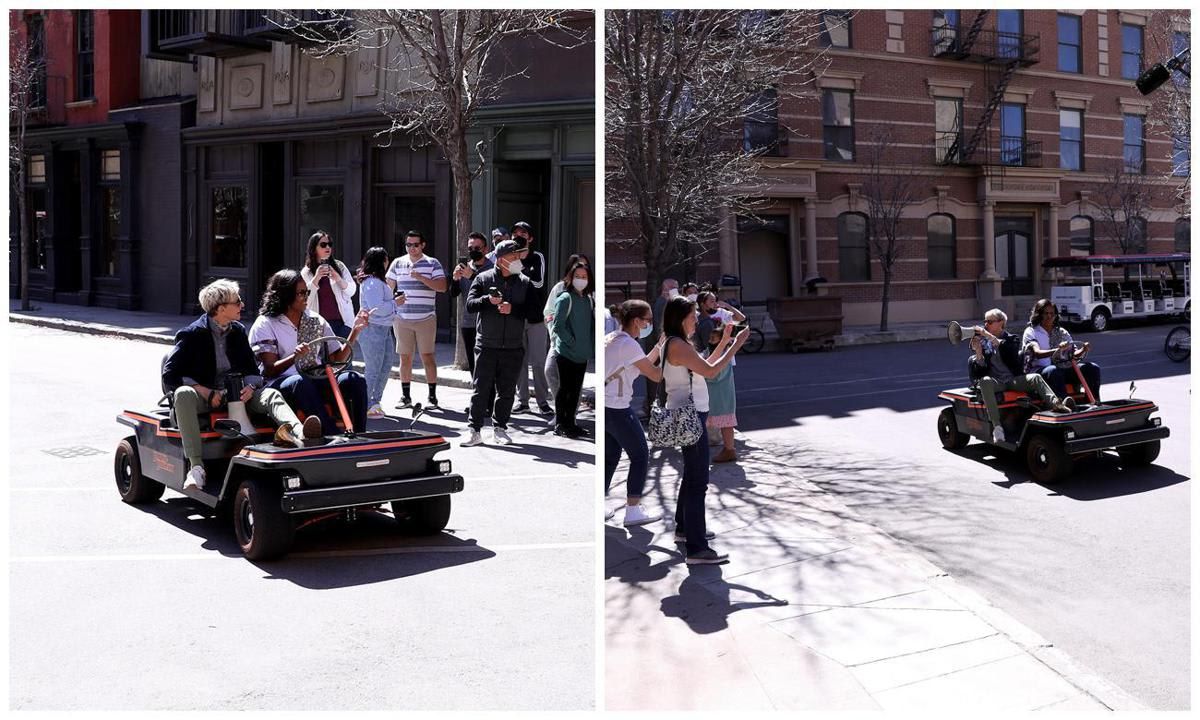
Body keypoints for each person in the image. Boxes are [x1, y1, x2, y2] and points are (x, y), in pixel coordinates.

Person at [163, 279, 323, 491]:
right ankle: (196, 468)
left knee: (271, 395)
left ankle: (299, 433)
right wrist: (204, 391)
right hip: (205, 398)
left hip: (237, 396)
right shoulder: (192, 334)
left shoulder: (237, 331)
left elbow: (252, 370)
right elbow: (170, 375)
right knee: (183, 394)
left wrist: (251, 387)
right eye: (237, 302)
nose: (242, 306)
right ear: (221, 309)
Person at [661, 296, 748, 565]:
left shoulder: (675, 342)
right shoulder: (677, 344)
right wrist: (735, 347)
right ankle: (697, 549)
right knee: (698, 482)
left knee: (691, 476)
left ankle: (685, 530)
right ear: (680, 318)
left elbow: (701, 367)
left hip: (689, 415)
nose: (697, 319)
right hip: (691, 417)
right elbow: (710, 372)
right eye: (693, 315)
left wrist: (724, 342)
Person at [250, 269, 371, 435]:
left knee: (355, 379)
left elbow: (336, 358)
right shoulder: (265, 323)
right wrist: (295, 357)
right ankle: (331, 435)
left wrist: (355, 331)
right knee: (300, 382)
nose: (306, 296)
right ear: (285, 296)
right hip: (280, 383)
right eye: (301, 293)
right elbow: (270, 369)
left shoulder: (315, 319)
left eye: (307, 292)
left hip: (315, 377)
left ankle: (360, 434)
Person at [462, 240, 544, 447]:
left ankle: (500, 428)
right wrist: (488, 301)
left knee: (507, 391)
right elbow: (470, 306)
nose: (518, 260)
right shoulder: (482, 278)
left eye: (519, 256)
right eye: (513, 256)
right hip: (486, 344)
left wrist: (513, 310)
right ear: (500, 260)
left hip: (513, 346)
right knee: (480, 389)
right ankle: (475, 430)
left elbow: (536, 313)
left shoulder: (525, 282)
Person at [968, 308, 1074, 444]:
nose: (986, 325)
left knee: (1035, 377)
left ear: (1001, 323)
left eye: (989, 321)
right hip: (996, 382)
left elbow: (1008, 349)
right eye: (985, 322)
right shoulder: (985, 344)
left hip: (1012, 380)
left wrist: (988, 336)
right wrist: (978, 352)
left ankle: (1056, 404)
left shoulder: (1012, 339)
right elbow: (980, 370)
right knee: (985, 381)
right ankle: (997, 427)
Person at [605, 300, 666, 527]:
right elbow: (654, 375)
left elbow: (638, 366)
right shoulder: (629, 345)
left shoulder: (615, 338)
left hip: (606, 406)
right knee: (640, 455)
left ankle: (602, 503)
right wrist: (675, 359)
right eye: (648, 319)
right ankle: (632, 510)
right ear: (637, 321)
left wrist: (658, 348)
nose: (650, 323)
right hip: (617, 407)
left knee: (610, 457)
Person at [386, 230, 448, 409]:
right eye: (408, 244)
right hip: (402, 318)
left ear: (423, 245)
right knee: (405, 358)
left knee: (428, 356)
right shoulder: (398, 263)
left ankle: (432, 397)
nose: (411, 248)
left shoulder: (432, 263)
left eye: (415, 244)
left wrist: (421, 277)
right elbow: (388, 287)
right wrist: (391, 301)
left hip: (426, 318)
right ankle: (406, 397)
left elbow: (442, 287)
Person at [509, 221, 552, 416]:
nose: (518, 236)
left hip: (536, 318)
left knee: (538, 362)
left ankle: (543, 401)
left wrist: (520, 270)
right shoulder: (508, 257)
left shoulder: (537, 257)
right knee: (519, 361)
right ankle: (522, 401)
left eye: (523, 233)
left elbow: (538, 283)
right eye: (515, 233)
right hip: (516, 317)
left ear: (530, 238)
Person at [1021, 299, 1102, 402]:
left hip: (1061, 368)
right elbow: (1037, 353)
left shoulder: (1061, 332)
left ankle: (1093, 400)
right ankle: (1064, 403)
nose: (1049, 316)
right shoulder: (1031, 331)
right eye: (1046, 313)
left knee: (1092, 368)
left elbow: (1073, 354)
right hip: (1039, 370)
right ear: (1039, 314)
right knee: (1054, 370)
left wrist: (1083, 349)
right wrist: (1058, 350)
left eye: (1052, 313)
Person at [697, 292, 745, 462]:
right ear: (702, 303)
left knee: (721, 419)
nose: (715, 303)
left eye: (715, 300)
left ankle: (728, 448)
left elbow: (743, 323)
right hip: (718, 376)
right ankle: (728, 448)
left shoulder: (716, 320)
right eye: (711, 300)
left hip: (718, 381)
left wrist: (728, 307)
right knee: (722, 419)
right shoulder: (701, 320)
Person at [550, 263, 595, 438]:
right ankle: (561, 423)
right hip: (566, 353)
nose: (581, 280)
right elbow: (558, 325)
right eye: (578, 276)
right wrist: (571, 341)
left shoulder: (588, 300)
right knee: (565, 389)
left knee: (575, 391)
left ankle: (571, 423)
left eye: (584, 277)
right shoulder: (565, 298)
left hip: (582, 354)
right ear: (570, 277)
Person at [356, 247, 399, 419]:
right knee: (374, 369)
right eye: (386, 259)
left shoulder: (376, 281)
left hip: (383, 329)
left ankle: (374, 402)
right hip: (373, 328)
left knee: (385, 366)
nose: (388, 262)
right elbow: (377, 309)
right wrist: (396, 302)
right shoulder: (373, 282)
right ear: (381, 261)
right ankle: (365, 404)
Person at [543, 253, 592, 401]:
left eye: (585, 268)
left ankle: (571, 416)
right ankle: (561, 412)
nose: (581, 272)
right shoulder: (560, 289)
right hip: (559, 342)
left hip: (580, 346)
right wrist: (554, 334)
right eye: (577, 268)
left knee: (575, 382)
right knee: (550, 371)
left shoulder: (590, 293)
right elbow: (549, 313)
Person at [449, 231, 494, 377]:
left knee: (487, 366)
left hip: (488, 323)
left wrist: (473, 276)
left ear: (486, 249)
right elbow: (453, 294)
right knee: (473, 366)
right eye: (470, 249)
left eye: (477, 248)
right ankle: (477, 397)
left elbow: (492, 292)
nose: (473, 251)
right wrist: (455, 279)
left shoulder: (493, 268)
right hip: (468, 323)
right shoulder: (465, 267)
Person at [299, 231, 357, 339]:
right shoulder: (306, 272)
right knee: (324, 356)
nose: (328, 247)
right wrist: (316, 278)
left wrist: (338, 278)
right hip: (319, 326)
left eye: (330, 244)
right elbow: (305, 300)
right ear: (314, 248)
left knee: (343, 355)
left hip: (343, 324)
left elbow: (352, 291)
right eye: (323, 244)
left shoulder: (339, 266)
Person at [643, 278, 679, 417]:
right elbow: (661, 326)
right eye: (675, 287)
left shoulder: (665, 302)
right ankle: (663, 411)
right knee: (663, 380)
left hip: (663, 345)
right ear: (667, 288)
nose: (677, 289)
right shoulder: (663, 302)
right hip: (662, 346)